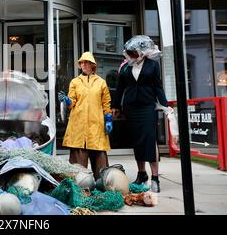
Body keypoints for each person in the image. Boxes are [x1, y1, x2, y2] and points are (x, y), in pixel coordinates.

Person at [111, 35, 172, 193]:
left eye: (133, 52)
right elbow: (120, 87)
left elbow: (158, 86)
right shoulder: (125, 66)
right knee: (137, 141)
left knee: (149, 140)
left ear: (142, 52)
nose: (131, 55)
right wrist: (116, 106)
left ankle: (155, 177)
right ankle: (141, 174)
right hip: (131, 107)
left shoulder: (152, 65)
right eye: (129, 53)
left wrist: (165, 106)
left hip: (147, 107)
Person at [58, 52, 113, 180]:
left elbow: (106, 103)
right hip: (78, 126)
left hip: (96, 126)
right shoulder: (75, 82)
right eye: (81, 62)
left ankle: (101, 185)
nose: (83, 65)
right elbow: (72, 103)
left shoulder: (101, 83)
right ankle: (79, 187)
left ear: (92, 65)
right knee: (78, 167)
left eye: (86, 62)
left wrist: (108, 119)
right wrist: (67, 100)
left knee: (100, 162)